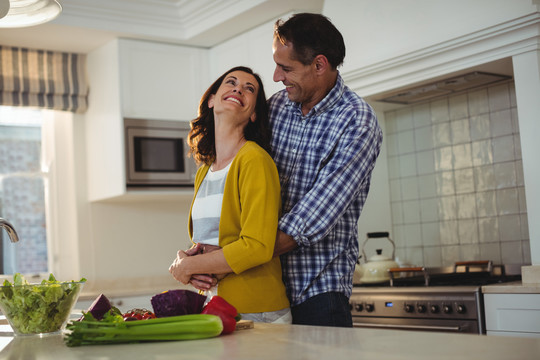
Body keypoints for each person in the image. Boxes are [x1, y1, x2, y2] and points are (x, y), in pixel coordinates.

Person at [268, 13, 383, 327]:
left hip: (317, 293)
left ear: (319, 65)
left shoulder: (357, 121)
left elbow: (311, 220)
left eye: (286, 68)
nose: (277, 76)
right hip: (267, 289)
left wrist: (231, 260)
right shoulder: (275, 108)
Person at [168, 66, 291, 324]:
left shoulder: (255, 160)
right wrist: (189, 262)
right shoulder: (204, 171)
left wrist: (190, 267)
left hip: (257, 310)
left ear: (254, 113)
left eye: (249, 89)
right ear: (212, 99)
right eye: (231, 82)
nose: (238, 88)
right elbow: (213, 240)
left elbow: (257, 246)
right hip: (216, 307)